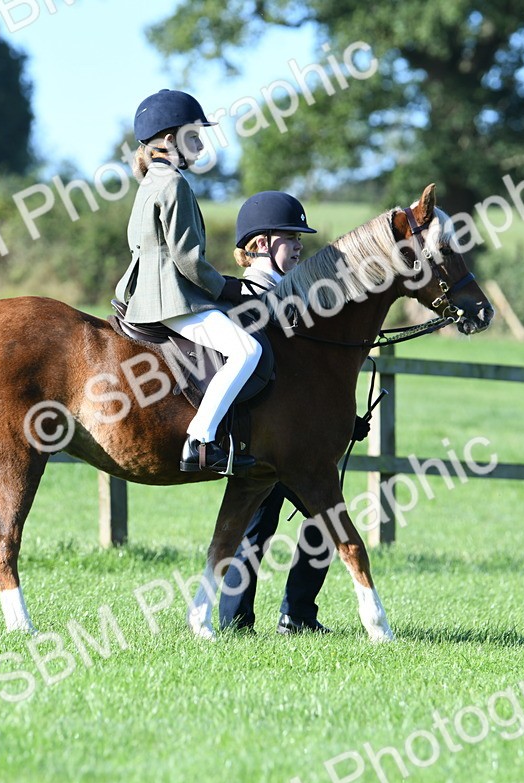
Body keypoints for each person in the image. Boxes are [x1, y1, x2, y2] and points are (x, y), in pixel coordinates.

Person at [216, 191, 371, 634]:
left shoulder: (298, 294)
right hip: (260, 439)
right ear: (261, 243)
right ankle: (248, 620)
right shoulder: (243, 298)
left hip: (297, 441)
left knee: (314, 522)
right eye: (290, 237)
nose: (300, 246)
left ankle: (291, 614)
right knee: (264, 529)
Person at [115, 89, 260, 474]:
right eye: (194, 137)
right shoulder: (174, 184)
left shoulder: (150, 183)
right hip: (172, 301)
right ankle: (201, 440)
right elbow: (187, 259)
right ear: (169, 141)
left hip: (148, 294)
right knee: (247, 351)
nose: (200, 146)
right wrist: (227, 288)